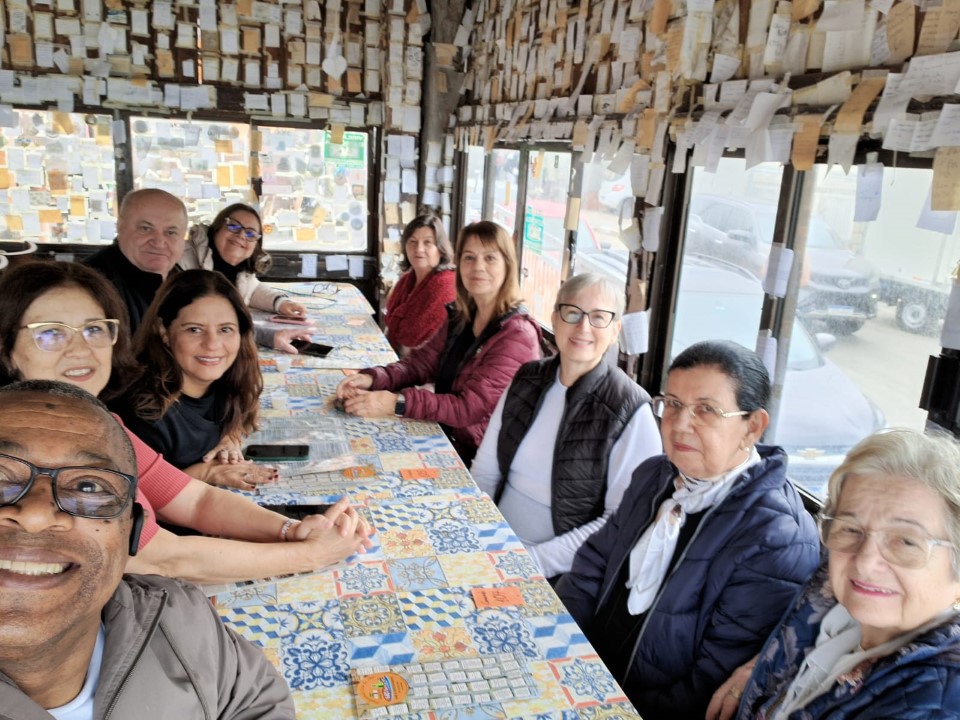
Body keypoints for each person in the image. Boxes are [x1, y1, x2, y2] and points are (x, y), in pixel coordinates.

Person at [0, 260, 373, 584]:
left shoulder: (97, 423)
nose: (80, 348)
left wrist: (292, 530)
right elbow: (167, 558)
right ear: (6, 350)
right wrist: (311, 554)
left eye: (95, 329)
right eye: (51, 332)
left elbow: (195, 501)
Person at [555, 339, 820, 720]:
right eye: (673, 404)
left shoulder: (774, 538)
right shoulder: (656, 474)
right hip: (582, 676)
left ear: (752, 426)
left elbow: (706, 688)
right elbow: (592, 564)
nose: (680, 424)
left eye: (707, 410)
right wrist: (560, 648)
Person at [0, 380, 295, 716]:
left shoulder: (178, 617)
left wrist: (293, 531)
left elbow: (256, 699)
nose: (36, 515)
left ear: (132, 532)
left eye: (87, 485)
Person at [708, 429, 960, 720]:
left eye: (906, 541)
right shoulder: (831, 603)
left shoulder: (936, 705)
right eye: (851, 529)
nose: (865, 562)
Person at [471, 273, 661, 579]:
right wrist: (475, 535)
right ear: (555, 319)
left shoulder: (631, 409)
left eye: (599, 317)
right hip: (494, 543)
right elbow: (485, 472)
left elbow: (618, 522)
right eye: (572, 313)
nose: (583, 327)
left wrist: (528, 563)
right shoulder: (526, 379)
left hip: (563, 574)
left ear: (615, 331)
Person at [335, 220, 541, 463]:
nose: (478, 267)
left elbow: (467, 409)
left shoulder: (517, 335)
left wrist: (396, 403)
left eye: (490, 258)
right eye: (469, 257)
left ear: (508, 264)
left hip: (484, 459)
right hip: (448, 436)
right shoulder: (463, 315)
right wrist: (371, 378)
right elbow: (420, 364)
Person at [112, 269, 261, 469]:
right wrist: (204, 474)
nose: (212, 344)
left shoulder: (228, 381)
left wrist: (230, 436)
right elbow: (139, 497)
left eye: (225, 329)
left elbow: (236, 416)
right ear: (163, 331)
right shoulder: (144, 418)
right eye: (194, 329)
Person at [179, 203, 308, 319]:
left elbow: (253, 290)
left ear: (255, 246)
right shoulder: (182, 258)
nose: (241, 235)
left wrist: (280, 303)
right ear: (216, 228)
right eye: (233, 226)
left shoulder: (242, 271)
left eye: (250, 234)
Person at [85, 188, 187, 330]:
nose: (159, 242)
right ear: (120, 227)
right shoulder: (91, 286)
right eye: (145, 228)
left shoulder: (184, 282)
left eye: (170, 232)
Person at [384, 213, 456, 356]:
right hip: (395, 359)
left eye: (427, 242)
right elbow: (390, 327)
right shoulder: (406, 280)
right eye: (413, 241)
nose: (419, 249)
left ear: (440, 248)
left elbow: (420, 345)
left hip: (419, 368)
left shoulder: (445, 285)